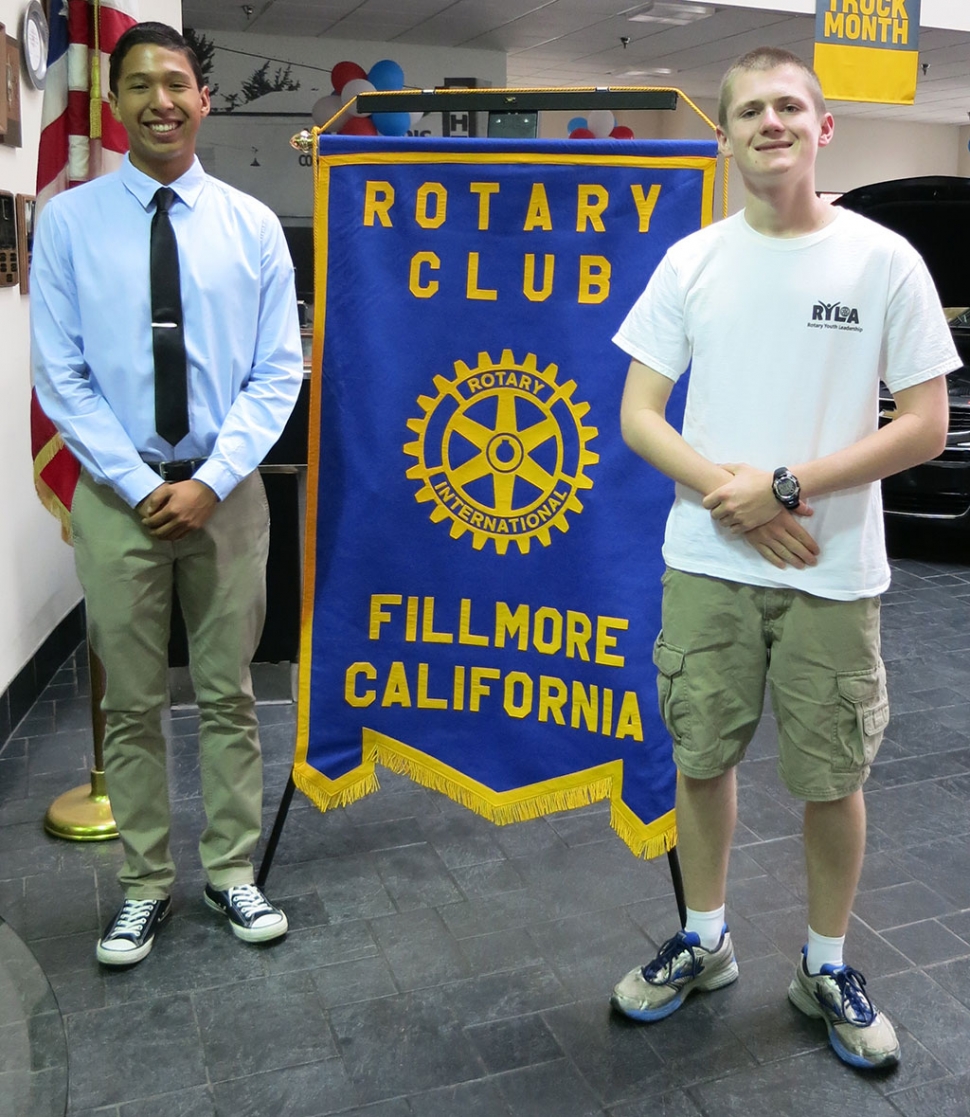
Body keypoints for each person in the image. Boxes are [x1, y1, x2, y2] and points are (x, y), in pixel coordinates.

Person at [609, 47, 959, 1070]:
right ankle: (705, 939)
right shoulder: (691, 262)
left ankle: (823, 964)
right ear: (723, 137)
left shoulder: (883, 259)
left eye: (789, 106)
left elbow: (926, 426)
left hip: (831, 572)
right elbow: (637, 415)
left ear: (823, 128)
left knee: (829, 777)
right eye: (750, 110)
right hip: (707, 562)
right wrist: (738, 496)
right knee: (701, 761)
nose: (770, 121)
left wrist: (788, 487)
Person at [31, 22, 304, 966]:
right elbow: (59, 376)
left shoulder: (253, 225)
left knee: (229, 693)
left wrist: (212, 481)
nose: (161, 100)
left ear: (205, 99)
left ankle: (231, 872)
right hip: (120, 501)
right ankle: (145, 887)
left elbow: (279, 373)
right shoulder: (68, 222)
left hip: (226, 498)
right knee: (133, 704)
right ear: (115, 103)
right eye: (140, 83)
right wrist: (144, 482)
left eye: (177, 82)